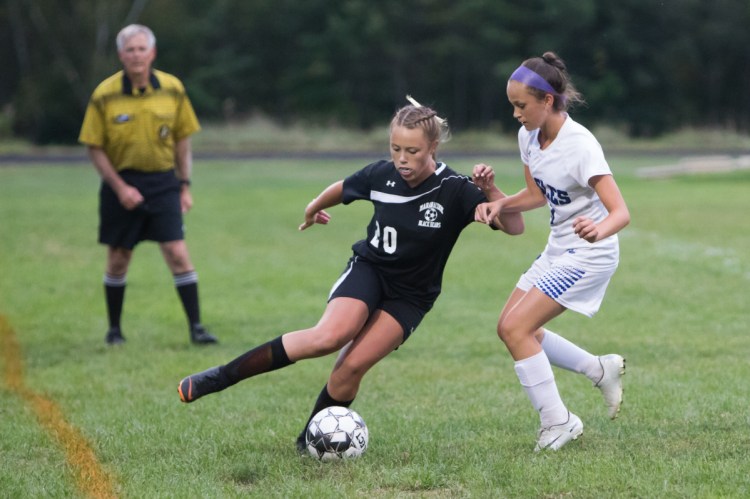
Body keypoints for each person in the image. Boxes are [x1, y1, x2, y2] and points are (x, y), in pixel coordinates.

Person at [177, 98, 525, 452]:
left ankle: (306, 445)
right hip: (369, 271)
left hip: (411, 296)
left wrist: (491, 192)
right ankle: (220, 377)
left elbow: (515, 225)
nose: (402, 159)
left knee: (350, 368)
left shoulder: (454, 189)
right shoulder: (380, 174)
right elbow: (342, 188)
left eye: (413, 151)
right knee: (328, 337)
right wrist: (313, 208)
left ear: (433, 147)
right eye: (395, 149)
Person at [475, 52, 631, 451]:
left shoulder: (581, 146)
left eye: (521, 105)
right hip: (559, 249)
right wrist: (497, 202)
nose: (516, 114)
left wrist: (598, 229)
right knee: (510, 326)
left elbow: (621, 212)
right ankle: (599, 369)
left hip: (589, 254)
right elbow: (535, 195)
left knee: (516, 329)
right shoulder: (528, 135)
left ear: (547, 101)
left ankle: (558, 422)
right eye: (512, 105)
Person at [78, 24, 217, 346]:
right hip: (121, 183)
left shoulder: (173, 89)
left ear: (152, 53)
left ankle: (196, 328)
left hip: (163, 182)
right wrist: (119, 188)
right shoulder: (104, 94)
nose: (136, 55)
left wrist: (184, 185)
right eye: (130, 50)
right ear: (121, 55)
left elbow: (183, 140)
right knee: (118, 257)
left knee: (178, 253)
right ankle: (114, 331)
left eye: (142, 49)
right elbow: (94, 147)